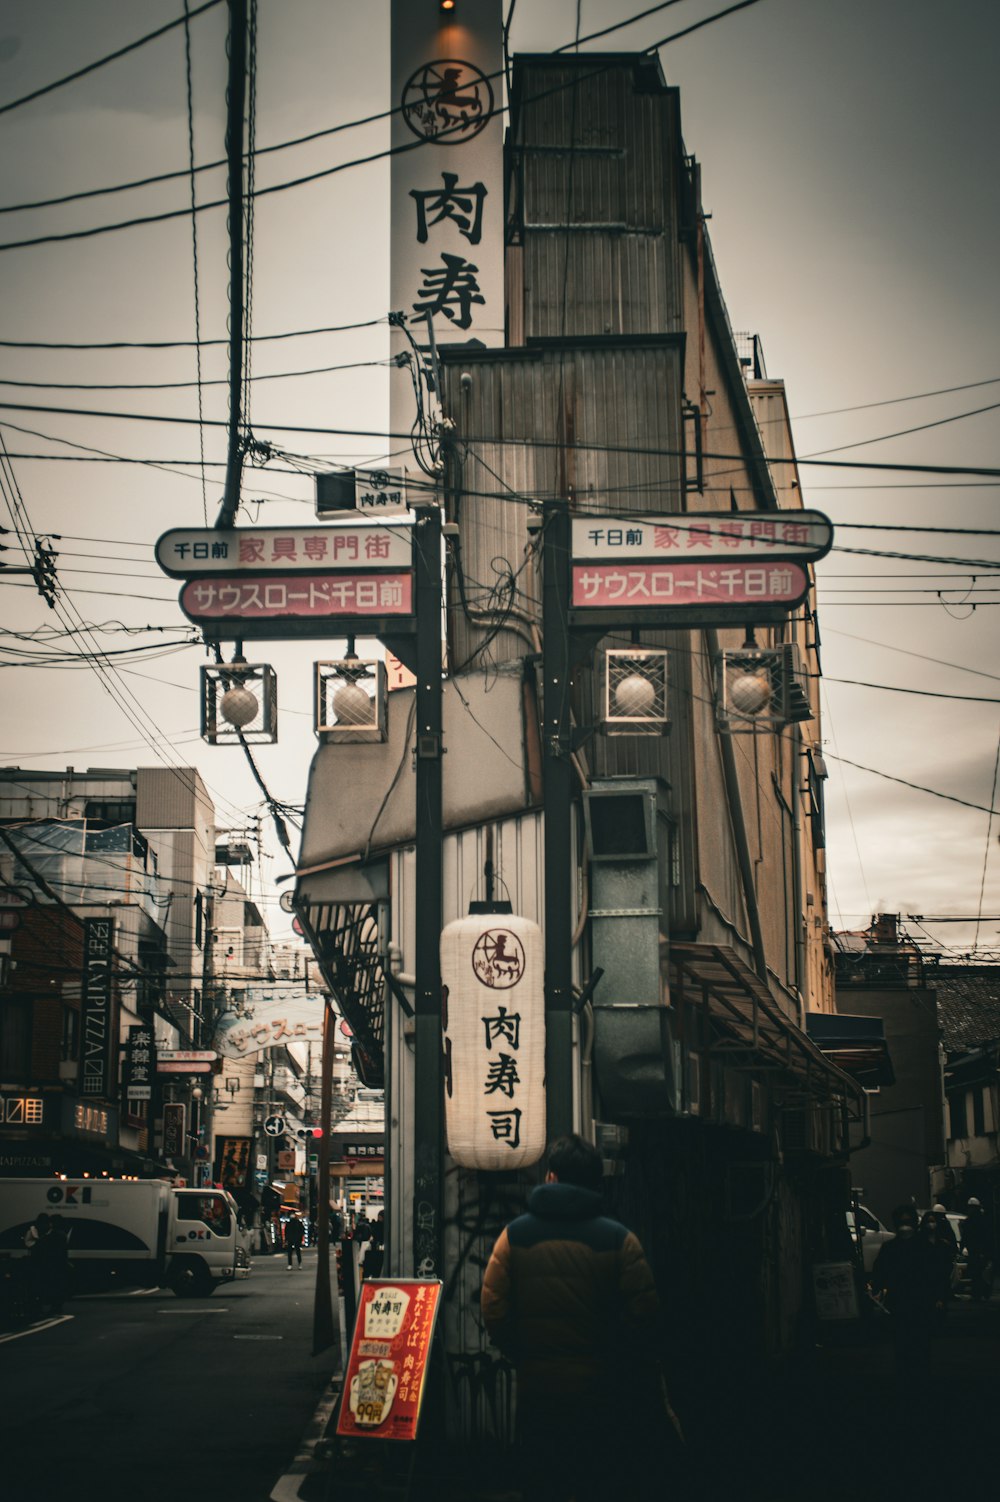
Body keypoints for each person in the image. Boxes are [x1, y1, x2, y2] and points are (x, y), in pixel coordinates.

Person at [481, 1134, 672, 1502]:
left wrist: (523, 1353)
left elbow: (493, 1308)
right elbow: (645, 1317)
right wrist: (616, 1357)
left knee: (543, 1483)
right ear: (595, 1181)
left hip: (538, 1391)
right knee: (594, 1482)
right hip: (601, 1393)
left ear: (550, 1177)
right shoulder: (620, 1240)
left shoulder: (514, 1237)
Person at [872, 1204, 941, 1370]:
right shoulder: (924, 1247)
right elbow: (937, 1275)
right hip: (916, 1303)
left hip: (904, 1303)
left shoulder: (891, 1248)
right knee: (917, 1343)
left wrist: (877, 1289)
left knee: (905, 1343)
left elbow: (879, 1273)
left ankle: (908, 1378)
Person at [962, 1197, 992, 1301]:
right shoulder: (979, 1220)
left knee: (978, 1272)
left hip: (978, 1251)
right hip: (976, 1251)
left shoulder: (976, 1221)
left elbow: (985, 1237)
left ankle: (979, 1292)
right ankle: (980, 1292)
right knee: (978, 1272)